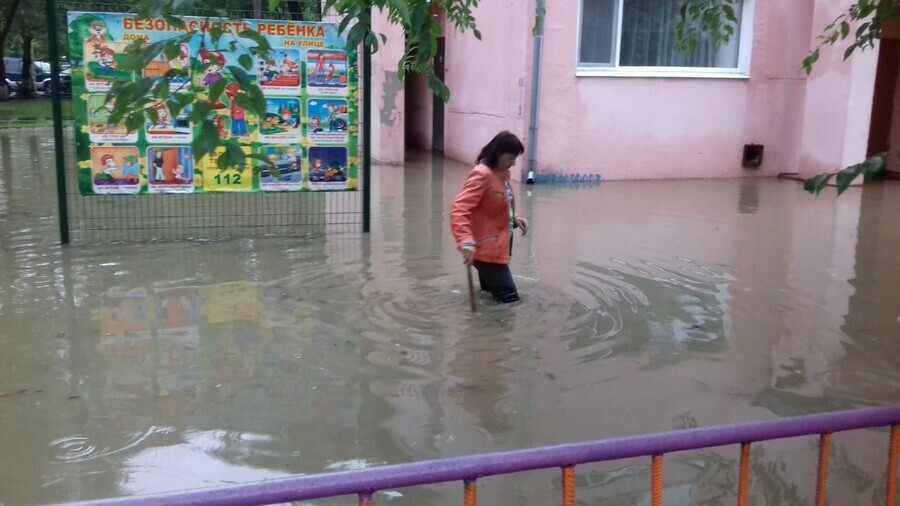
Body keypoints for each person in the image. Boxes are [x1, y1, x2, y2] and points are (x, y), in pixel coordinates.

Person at [450, 131, 529, 303]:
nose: (513, 163)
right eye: (511, 158)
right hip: (486, 250)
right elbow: (459, 209)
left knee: (490, 298)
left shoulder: (502, 174)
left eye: (515, 158)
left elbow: (495, 205)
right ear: (498, 153)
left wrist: (514, 218)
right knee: (511, 301)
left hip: (495, 246)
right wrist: (465, 241)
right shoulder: (482, 174)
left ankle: (483, 328)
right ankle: (502, 329)